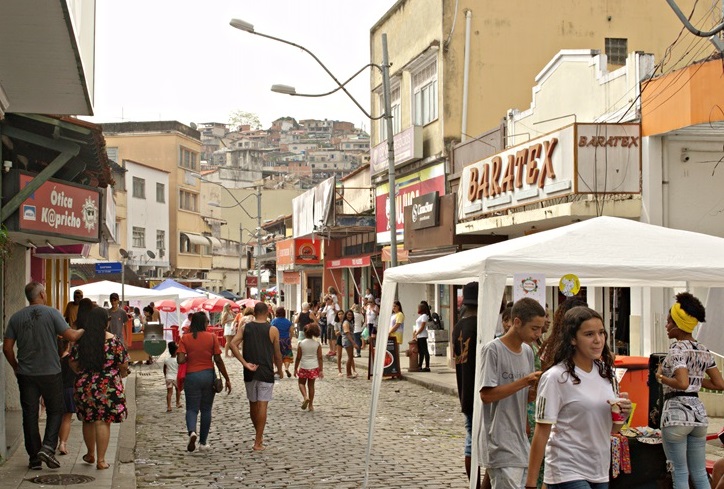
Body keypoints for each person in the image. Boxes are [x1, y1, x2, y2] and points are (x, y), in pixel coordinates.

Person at [526, 306, 632, 489]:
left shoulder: (607, 375)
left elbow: (612, 428)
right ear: (573, 339)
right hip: (566, 469)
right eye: (589, 334)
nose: (598, 340)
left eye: (601, 333)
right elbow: (542, 431)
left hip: (599, 469)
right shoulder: (556, 377)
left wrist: (623, 413)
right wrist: (531, 484)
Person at [3, 281, 85, 470]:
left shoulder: (16, 318)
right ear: (41, 294)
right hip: (50, 372)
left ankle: (34, 458)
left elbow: (7, 348)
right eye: (45, 292)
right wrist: (83, 329)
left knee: (30, 415)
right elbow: (71, 336)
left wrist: (16, 366)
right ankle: (47, 447)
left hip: (26, 373)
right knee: (56, 410)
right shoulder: (52, 313)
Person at [657, 292, 724, 489]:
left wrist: (660, 377)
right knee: (699, 473)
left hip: (676, 415)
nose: (666, 326)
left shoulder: (676, 349)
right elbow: (720, 384)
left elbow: (682, 382)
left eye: (669, 322)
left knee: (680, 472)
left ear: (678, 324)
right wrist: (698, 381)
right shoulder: (704, 350)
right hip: (699, 417)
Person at [479, 297, 545, 489]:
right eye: (534, 328)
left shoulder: (528, 351)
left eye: (541, 328)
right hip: (499, 438)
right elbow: (486, 395)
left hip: (521, 440)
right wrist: (524, 382)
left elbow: (524, 395)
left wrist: (532, 391)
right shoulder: (493, 350)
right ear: (516, 322)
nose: (538, 333)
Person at [70, 306, 128, 470]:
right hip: (108, 385)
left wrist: (82, 374)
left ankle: (90, 454)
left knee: (88, 420)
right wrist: (120, 374)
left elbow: (73, 361)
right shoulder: (114, 341)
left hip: (85, 384)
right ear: (106, 321)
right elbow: (123, 363)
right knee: (103, 422)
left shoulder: (81, 340)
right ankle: (101, 461)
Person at [230, 302, 283, 451]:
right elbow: (277, 354)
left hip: (250, 371)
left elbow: (233, 344)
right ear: (267, 312)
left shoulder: (246, 328)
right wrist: (280, 369)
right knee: (263, 404)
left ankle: (258, 435)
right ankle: (258, 441)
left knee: (253, 404)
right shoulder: (272, 330)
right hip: (266, 370)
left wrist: (245, 363)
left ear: (254, 313)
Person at [177, 312, 231, 452]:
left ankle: (192, 432)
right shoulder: (212, 337)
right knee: (206, 410)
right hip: (208, 375)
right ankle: (203, 442)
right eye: (207, 322)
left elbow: (180, 360)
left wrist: (190, 356)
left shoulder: (185, 338)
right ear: (204, 323)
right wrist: (227, 378)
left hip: (192, 376)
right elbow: (218, 360)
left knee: (191, 409)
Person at [452, 282, 482, 488]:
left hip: (466, 389)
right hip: (479, 390)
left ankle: (477, 484)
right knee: (475, 441)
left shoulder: (458, 326)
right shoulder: (478, 326)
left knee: (472, 438)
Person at [294, 323, 324, 411]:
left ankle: (305, 396)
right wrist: (321, 369)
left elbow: (298, 357)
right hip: (314, 367)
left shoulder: (301, 343)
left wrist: (295, 368)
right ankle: (311, 405)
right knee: (311, 385)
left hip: (304, 366)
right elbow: (320, 357)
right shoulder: (317, 344)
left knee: (301, 383)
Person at [57, 339, 75, 457]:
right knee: (67, 419)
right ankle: (62, 443)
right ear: (68, 346)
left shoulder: (55, 360)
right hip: (69, 390)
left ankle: (53, 442)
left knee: (56, 417)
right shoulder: (71, 360)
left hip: (56, 391)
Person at [271, 307, 294, 377]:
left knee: (278, 355)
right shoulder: (288, 322)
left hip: (277, 340)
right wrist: (290, 338)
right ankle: (286, 368)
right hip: (286, 340)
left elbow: (271, 330)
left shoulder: (274, 321)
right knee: (287, 355)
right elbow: (291, 331)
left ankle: (279, 370)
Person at [163, 341, 182, 412]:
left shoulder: (166, 360)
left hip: (168, 377)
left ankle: (169, 406)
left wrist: (165, 375)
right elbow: (180, 369)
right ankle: (177, 402)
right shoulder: (178, 360)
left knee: (169, 392)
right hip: (176, 377)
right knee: (178, 390)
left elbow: (164, 369)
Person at [413, 302, 431, 371]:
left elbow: (422, 326)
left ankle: (427, 366)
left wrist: (417, 333)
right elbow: (418, 326)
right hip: (419, 336)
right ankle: (419, 365)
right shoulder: (421, 316)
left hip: (422, 335)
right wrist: (415, 332)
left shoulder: (424, 316)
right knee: (421, 352)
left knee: (425, 351)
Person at [342, 309, 358, 378]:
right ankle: (348, 373)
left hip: (349, 340)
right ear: (346, 315)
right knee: (350, 357)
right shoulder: (346, 323)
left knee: (351, 357)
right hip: (347, 341)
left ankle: (349, 372)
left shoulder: (349, 322)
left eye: (351, 315)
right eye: (348, 315)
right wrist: (353, 343)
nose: (350, 316)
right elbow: (347, 333)